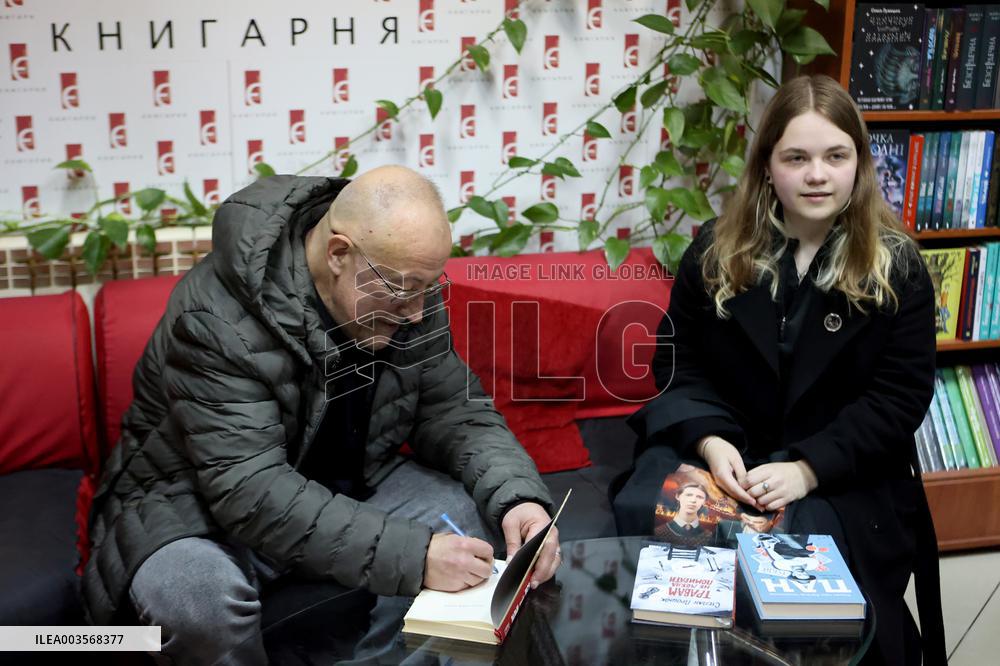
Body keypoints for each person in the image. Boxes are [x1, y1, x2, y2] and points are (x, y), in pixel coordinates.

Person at [81, 166, 561, 664]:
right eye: (405, 291)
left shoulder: (404, 289)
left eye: (428, 286)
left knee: (472, 529)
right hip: (200, 508)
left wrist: (517, 498)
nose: (418, 311)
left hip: (348, 483)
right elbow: (249, 491)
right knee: (196, 603)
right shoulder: (215, 317)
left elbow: (453, 410)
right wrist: (414, 556)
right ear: (337, 253)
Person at [621, 75, 945, 664]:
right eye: (796, 158)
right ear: (768, 167)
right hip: (726, 457)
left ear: (859, 165)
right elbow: (675, 363)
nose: (817, 174)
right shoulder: (715, 250)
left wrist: (806, 470)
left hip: (842, 474)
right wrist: (710, 441)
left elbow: (898, 399)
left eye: (835, 156)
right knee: (660, 513)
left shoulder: (898, 266)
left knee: (795, 550)